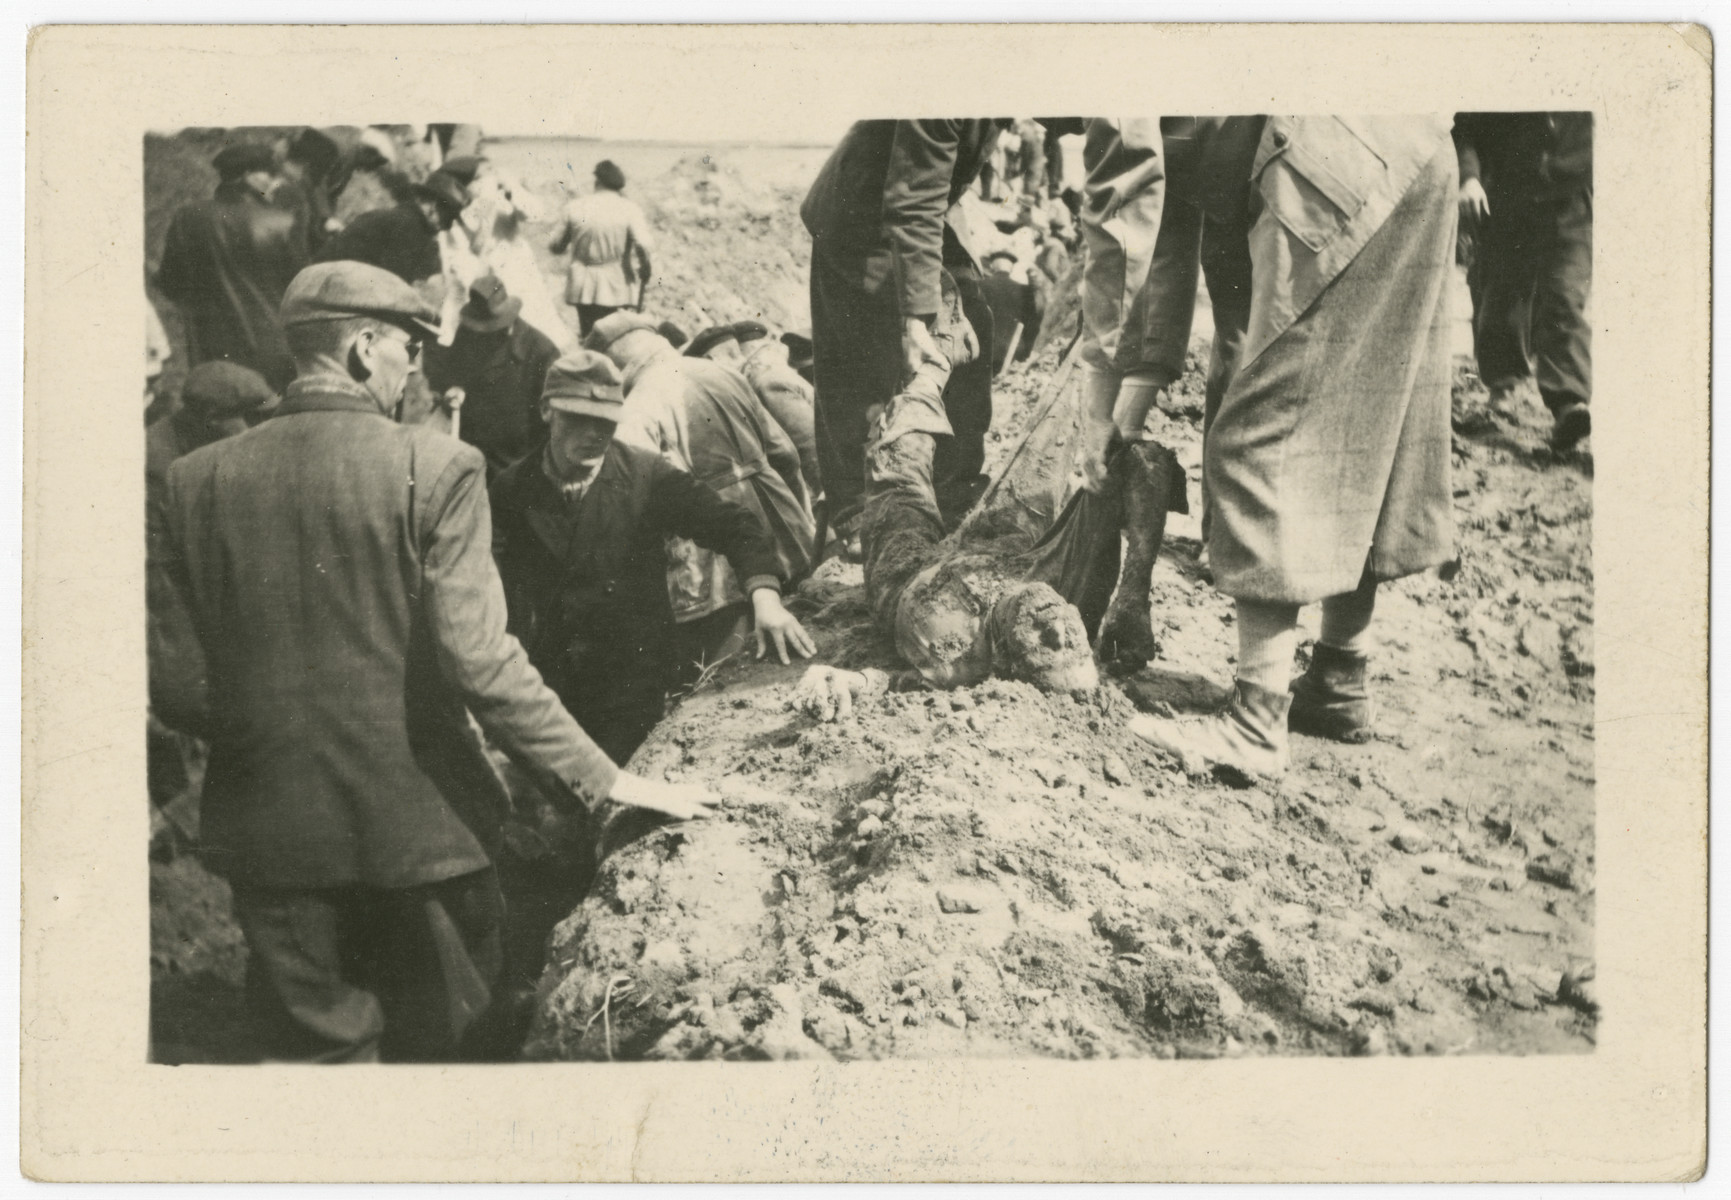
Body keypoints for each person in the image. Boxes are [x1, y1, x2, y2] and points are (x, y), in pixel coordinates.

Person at [148, 261, 716, 1063]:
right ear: (363, 348)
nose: (416, 366)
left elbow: (177, 688)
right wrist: (611, 781)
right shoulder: (437, 467)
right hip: (424, 836)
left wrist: (277, 728)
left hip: (268, 835)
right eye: (409, 348)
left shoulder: (188, 480)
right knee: (449, 1058)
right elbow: (480, 661)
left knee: (315, 1062)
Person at [1109, 116, 1460, 780]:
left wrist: (1128, 404)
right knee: (1374, 413)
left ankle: (1254, 727)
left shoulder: (1119, 90)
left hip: (1327, 162)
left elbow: (1154, 244)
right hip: (1411, 146)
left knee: (1255, 437)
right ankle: (1337, 676)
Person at [795, 279, 1188, 718]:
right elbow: (1148, 462)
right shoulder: (1067, 593)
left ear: (1009, 665)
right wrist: (1133, 595)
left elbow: (895, 685)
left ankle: (936, 360)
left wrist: (846, 682)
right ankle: (1093, 334)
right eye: (1071, 637)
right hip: (1016, 554)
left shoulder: (955, 653)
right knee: (1065, 439)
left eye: (1048, 646)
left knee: (897, 462)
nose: (1055, 626)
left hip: (910, 574)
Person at [490, 347, 814, 767]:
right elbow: (494, 579)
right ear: (546, 411)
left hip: (630, 677)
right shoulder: (512, 488)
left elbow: (737, 526)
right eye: (577, 418)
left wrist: (765, 596)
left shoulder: (644, 475)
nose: (593, 434)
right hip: (551, 677)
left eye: (604, 421)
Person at [801, 119, 1007, 536]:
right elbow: (913, 202)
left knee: (973, 327)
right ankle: (858, 517)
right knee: (866, 366)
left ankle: (954, 497)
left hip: (929, 212)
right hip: (858, 217)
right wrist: (917, 319)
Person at [584, 313, 817, 676]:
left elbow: (633, 500)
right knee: (811, 627)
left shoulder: (636, 407)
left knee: (729, 662)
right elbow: (784, 453)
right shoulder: (723, 373)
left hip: (711, 549)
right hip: (778, 515)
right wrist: (800, 517)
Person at [1454, 112, 1593, 452]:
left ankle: (1568, 404)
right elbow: (1465, 127)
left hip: (1571, 195)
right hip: (1508, 192)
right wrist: (1469, 178)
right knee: (1503, 294)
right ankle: (1505, 386)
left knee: (1564, 295)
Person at [154, 141, 307, 392]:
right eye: (268, 173)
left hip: (211, 350)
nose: (274, 181)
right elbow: (301, 289)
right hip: (274, 349)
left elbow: (171, 285)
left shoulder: (188, 217)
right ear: (247, 176)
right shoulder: (283, 223)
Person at [422, 274, 562, 479]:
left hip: (516, 468)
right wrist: (453, 387)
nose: (483, 335)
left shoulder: (541, 352)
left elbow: (552, 423)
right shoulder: (469, 333)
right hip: (470, 457)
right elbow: (451, 371)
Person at [457, 158, 577, 351]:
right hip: (487, 269)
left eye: (490, 172)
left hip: (518, 267)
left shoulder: (506, 195)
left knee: (533, 316)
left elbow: (535, 214)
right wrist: (487, 199)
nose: (487, 177)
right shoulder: (468, 203)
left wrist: (511, 189)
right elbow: (476, 238)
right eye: (481, 175)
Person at [549, 160, 654, 335]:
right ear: (619, 187)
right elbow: (643, 244)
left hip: (583, 284)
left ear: (596, 182)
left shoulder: (574, 207)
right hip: (617, 283)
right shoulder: (629, 209)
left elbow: (555, 245)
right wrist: (645, 266)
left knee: (589, 335)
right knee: (618, 336)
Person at [314, 169, 470, 286]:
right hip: (323, 285)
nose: (446, 228)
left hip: (324, 279)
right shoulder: (409, 227)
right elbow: (393, 286)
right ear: (433, 207)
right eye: (447, 219)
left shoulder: (404, 217)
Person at [274, 127, 345, 255]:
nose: (326, 175)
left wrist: (325, 222)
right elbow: (295, 246)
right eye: (326, 168)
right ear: (310, 164)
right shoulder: (290, 191)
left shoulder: (304, 181)